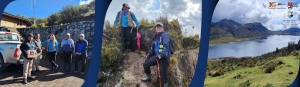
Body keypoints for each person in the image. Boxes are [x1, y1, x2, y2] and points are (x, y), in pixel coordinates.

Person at [141, 22, 171, 87]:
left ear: (163, 28)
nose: (158, 28)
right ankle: (148, 78)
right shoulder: (155, 37)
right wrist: (148, 56)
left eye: (160, 27)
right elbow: (152, 49)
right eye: (157, 27)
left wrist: (161, 55)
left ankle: (165, 85)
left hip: (164, 56)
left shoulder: (165, 36)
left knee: (164, 73)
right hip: (157, 56)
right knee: (145, 64)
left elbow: (166, 47)